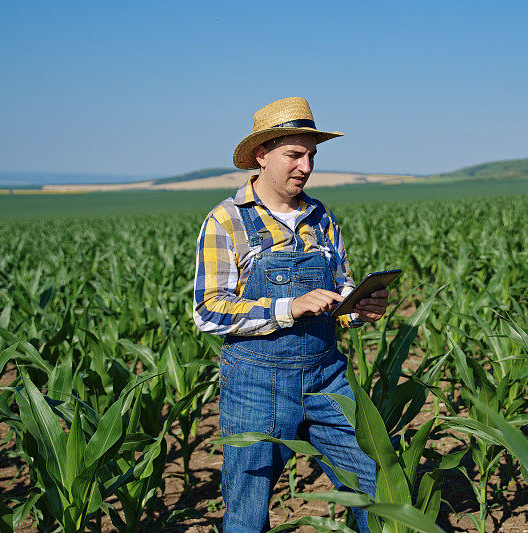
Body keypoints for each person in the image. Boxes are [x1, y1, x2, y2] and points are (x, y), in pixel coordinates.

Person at [192, 96, 387, 532]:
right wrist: (289, 306)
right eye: (294, 154)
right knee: (247, 514)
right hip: (255, 386)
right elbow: (208, 312)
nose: (306, 166)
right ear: (261, 156)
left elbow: (340, 290)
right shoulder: (227, 220)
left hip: (327, 378)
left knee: (376, 493)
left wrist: (358, 308)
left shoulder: (322, 218)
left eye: (311, 155)